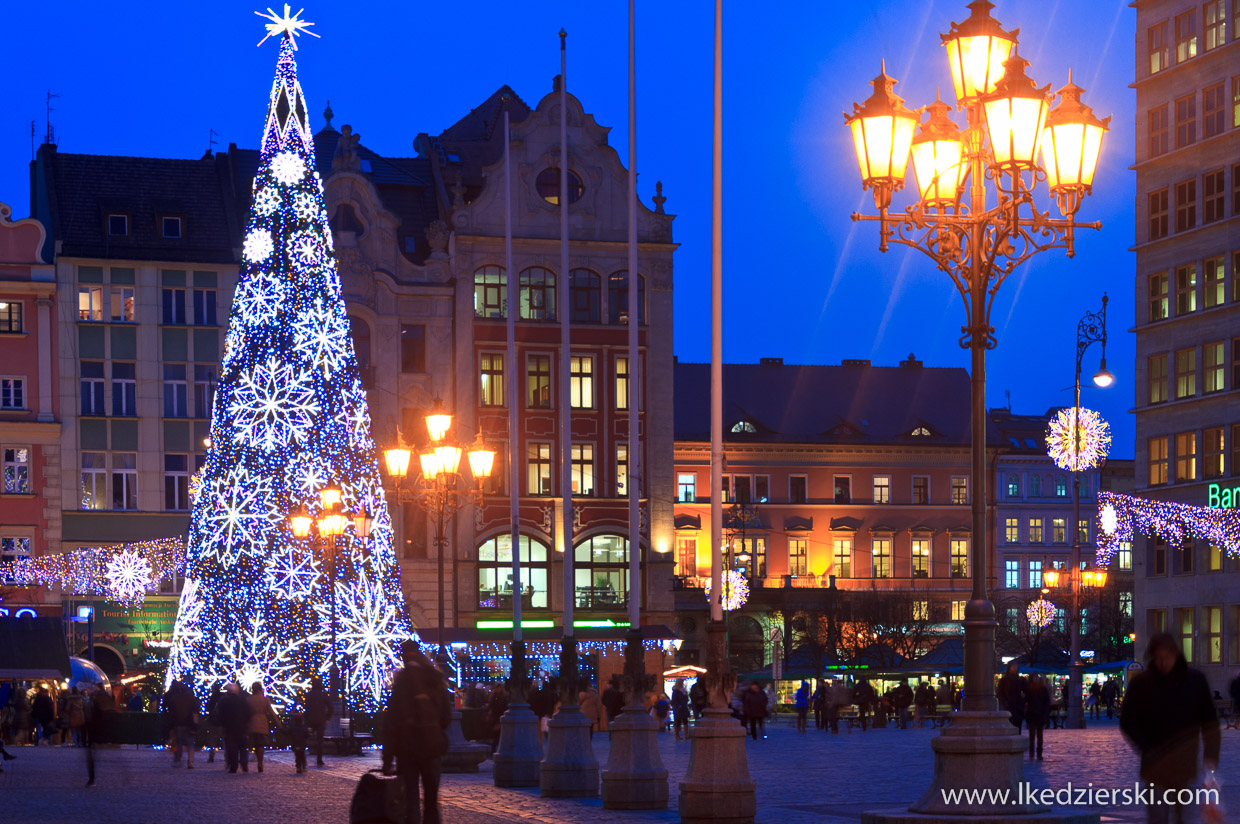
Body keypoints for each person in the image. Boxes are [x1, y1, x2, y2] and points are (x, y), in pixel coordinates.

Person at [1120, 633, 1220, 824]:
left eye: (1167, 657)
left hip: (1184, 762)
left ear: (1176, 655)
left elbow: (1209, 722)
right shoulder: (1141, 683)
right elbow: (1127, 720)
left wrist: (1210, 756)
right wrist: (1145, 747)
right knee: (1157, 817)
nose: (1163, 662)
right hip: (1154, 764)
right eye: (1159, 658)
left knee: (1184, 817)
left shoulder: (1195, 680)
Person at [384, 640, 451, 824]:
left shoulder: (402, 681)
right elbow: (446, 717)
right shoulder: (434, 678)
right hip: (432, 747)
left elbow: (391, 722)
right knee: (431, 800)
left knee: (410, 801)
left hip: (408, 749)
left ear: (403, 656)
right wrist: (435, 731)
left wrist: (387, 758)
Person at [217, 683, 252, 774]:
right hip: (242, 727)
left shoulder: (224, 700)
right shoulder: (242, 700)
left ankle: (233, 767)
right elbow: (248, 713)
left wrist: (222, 725)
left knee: (232, 748)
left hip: (229, 727)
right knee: (243, 747)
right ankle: (244, 764)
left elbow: (220, 714)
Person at [165, 680, 200, 769]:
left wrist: (171, 725)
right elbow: (196, 711)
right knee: (190, 743)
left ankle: (178, 759)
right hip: (189, 724)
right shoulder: (192, 698)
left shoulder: (174, 699)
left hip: (177, 724)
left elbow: (171, 713)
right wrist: (195, 723)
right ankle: (190, 762)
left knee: (178, 742)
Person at [247, 683, 280, 773]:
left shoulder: (249, 700)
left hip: (252, 723)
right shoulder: (265, 700)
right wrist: (278, 724)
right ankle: (260, 763)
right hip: (262, 724)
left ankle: (251, 761)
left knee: (254, 744)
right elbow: (272, 713)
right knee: (261, 745)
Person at [305, 677, 332, 767]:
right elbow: (330, 707)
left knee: (306, 738)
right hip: (321, 720)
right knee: (320, 741)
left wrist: (307, 719)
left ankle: (302, 758)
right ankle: (319, 759)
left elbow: (307, 708)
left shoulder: (308, 695)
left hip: (311, 720)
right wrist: (327, 717)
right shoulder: (324, 695)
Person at [1025, 674, 1051, 761]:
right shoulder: (1029, 689)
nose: (1035, 679)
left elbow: (1047, 701)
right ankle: (1031, 753)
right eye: (1034, 678)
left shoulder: (1043, 689)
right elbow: (1025, 701)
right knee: (1031, 736)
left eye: (1037, 678)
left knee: (1040, 736)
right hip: (1031, 714)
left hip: (1040, 714)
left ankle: (1039, 754)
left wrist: (1045, 712)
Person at [997, 662, 1026, 731]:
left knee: (1017, 725)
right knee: (1009, 725)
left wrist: (1023, 701)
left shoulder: (1020, 680)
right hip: (1009, 706)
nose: (1015, 668)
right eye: (1013, 666)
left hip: (1018, 706)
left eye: (1016, 666)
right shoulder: (1004, 680)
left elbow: (1026, 691)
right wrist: (1005, 702)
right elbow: (1000, 693)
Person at [484, 682, 509, 753]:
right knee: (497, 736)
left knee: (497, 736)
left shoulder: (498, 696)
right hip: (496, 718)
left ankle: (495, 750)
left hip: (498, 718)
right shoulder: (497, 697)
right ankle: (495, 750)